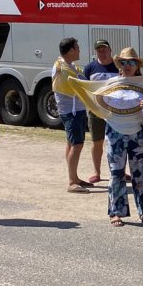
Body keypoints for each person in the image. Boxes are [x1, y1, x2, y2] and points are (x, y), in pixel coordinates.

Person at [105, 47, 143, 228]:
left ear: (137, 66)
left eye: (132, 62)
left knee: (142, 173)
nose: (128, 66)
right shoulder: (110, 83)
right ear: (119, 64)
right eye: (124, 62)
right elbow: (97, 103)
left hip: (138, 133)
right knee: (116, 174)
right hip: (115, 132)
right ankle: (116, 212)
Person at [52, 37, 93, 193]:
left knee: (71, 143)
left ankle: (74, 178)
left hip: (76, 110)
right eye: (77, 47)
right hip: (71, 112)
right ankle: (71, 181)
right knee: (77, 144)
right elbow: (80, 86)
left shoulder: (68, 65)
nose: (79, 50)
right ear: (70, 51)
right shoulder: (62, 68)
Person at [83, 39, 120, 184]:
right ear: (96, 52)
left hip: (116, 110)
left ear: (110, 50)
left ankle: (120, 171)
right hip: (96, 111)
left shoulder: (118, 66)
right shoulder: (90, 68)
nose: (102, 53)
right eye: (99, 50)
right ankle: (96, 173)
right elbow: (83, 87)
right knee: (97, 142)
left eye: (105, 50)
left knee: (118, 142)